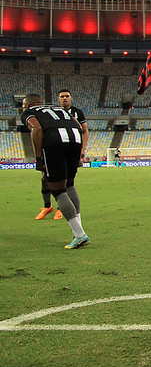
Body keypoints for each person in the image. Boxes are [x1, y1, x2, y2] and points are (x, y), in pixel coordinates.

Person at [21, 94, 89, 249]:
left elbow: (36, 129)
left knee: (58, 191)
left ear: (27, 104)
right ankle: (78, 230)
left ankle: (79, 235)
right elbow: (79, 126)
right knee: (70, 185)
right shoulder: (58, 109)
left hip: (55, 143)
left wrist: (38, 157)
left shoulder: (28, 112)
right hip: (74, 139)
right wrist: (78, 152)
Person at [35, 89, 88, 220]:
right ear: (58, 99)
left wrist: (82, 150)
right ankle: (47, 206)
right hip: (53, 150)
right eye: (62, 96)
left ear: (71, 98)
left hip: (70, 150)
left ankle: (61, 208)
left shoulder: (77, 113)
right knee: (45, 179)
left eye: (67, 96)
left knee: (66, 181)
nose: (65, 98)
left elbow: (84, 131)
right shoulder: (53, 113)